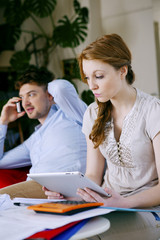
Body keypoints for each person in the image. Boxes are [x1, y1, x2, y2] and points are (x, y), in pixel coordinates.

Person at [43, 34, 160, 239]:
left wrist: (123, 203)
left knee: (86, 237)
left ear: (122, 71)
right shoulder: (92, 113)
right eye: (88, 78)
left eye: (99, 76)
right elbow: (93, 176)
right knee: (54, 231)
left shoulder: (153, 111)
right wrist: (68, 193)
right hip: (107, 206)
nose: (92, 86)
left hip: (149, 210)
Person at [0, 68, 87, 199]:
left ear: (50, 95)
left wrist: (47, 83)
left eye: (31, 94)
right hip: (39, 191)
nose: (25, 103)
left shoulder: (71, 115)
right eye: (22, 97)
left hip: (66, 187)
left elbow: (60, 88)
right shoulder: (33, 140)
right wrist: (3, 122)